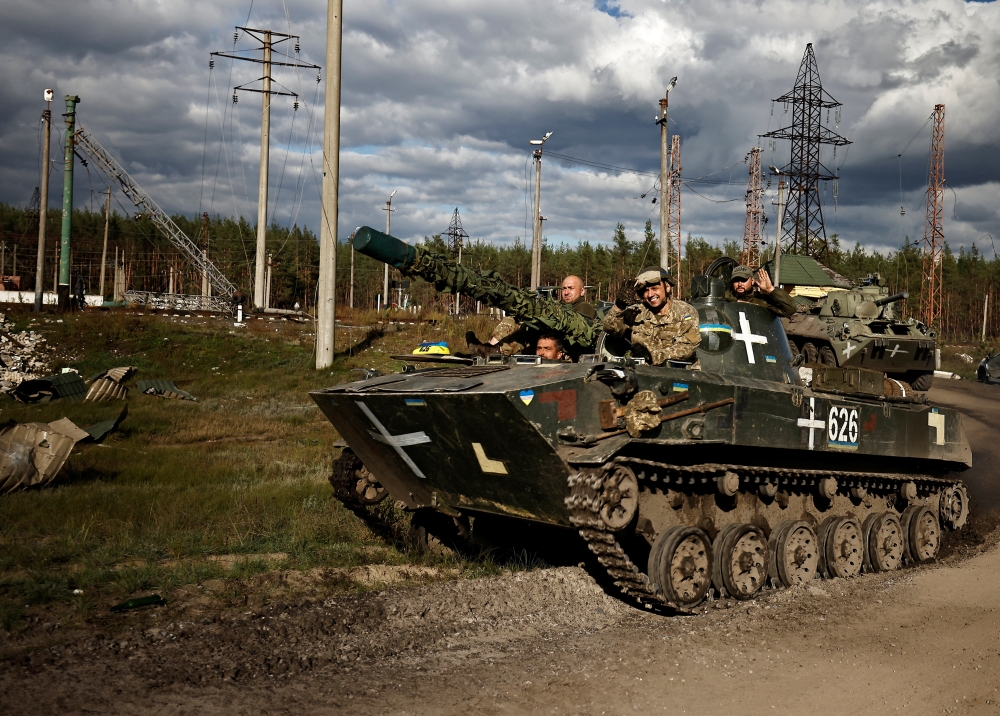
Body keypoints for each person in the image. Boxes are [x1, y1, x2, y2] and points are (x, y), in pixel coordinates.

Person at [471, 274, 596, 357]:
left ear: (582, 291)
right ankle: (491, 348)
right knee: (513, 320)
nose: (567, 292)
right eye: (564, 289)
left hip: (563, 348)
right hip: (543, 340)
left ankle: (496, 351)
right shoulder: (559, 305)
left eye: (571, 288)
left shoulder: (584, 307)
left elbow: (575, 328)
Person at [603, 266, 701, 365]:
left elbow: (686, 347)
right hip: (644, 373)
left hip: (679, 373)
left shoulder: (685, 312)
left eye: (655, 288)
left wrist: (651, 356)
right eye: (646, 291)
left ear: (667, 287)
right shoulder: (637, 311)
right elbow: (611, 329)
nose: (650, 294)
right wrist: (619, 306)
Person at [729, 265, 797, 318]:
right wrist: (736, 301)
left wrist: (770, 289)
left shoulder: (762, 301)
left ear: (752, 281)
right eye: (736, 280)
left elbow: (790, 309)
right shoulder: (725, 299)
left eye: (743, 280)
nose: (740, 284)